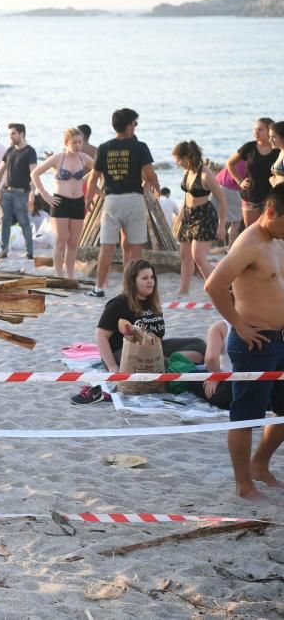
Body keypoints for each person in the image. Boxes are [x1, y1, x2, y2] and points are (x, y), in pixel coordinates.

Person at [204, 183, 284, 502]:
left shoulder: (277, 239)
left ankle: (260, 464)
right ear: (270, 212)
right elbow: (214, 285)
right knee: (246, 416)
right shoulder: (250, 242)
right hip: (254, 342)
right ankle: (243, 484)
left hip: (280, 339)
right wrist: (238, 324)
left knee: (282, 411)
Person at [85, 109, 160, 298]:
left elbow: (92, 179)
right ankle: (135, 290)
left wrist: (92, 200)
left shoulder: (103, 147)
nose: (135, 128)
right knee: (135, 247)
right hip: (133, 199)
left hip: (112, 201)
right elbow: (150, 175)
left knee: (107, 247)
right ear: (128, 126)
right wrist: (153, 189)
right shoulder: (140, 147)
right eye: (135, 124)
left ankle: (99, 288)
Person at [94, 259, 205, 373]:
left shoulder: (152, 302)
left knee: (199, 345)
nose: (150, 281)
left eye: (152, 277)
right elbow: (100, 335)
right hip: (123, 352)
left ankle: (171, 363)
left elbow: (158, 336)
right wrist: (112, 366)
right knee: (151, 359)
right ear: (133, 281)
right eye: (145, 278)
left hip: (153, 348)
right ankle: (171, 365)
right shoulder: (119, 303)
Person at [30, 128, 94, 279]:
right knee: (61, 241)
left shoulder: (83, 158)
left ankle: (70, 276)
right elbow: (35, 173)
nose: (78, 145)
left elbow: (99, 170)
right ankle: (59, 275)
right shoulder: (58, 158)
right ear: (66, 143)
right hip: (60, 202)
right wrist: (45, 195)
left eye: (80, 142)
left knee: (73, 243)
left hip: (78, 202)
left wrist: (83, 179)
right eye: (74, 142)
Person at [172, 141, 227, 296]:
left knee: (199, 257)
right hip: (188, 216)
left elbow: (222, 200)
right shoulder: (187, 171)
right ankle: (184, 290)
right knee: (185, 256)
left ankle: (217, 288)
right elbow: (187, 196)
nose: (177, 163)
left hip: (204, 216)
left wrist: (222, 225)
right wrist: (179, 218)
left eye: (178, 160)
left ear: (188, 157)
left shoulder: (206, 174)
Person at [0, 123, 37, 259]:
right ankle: (4, 250)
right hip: (6, 192)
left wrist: (32, 193)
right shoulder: (10, 150)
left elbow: (34, 173)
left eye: (13, 133)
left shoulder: (30, 151)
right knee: (4, 221)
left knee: (24, 222)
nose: (10, 136)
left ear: (21, 134)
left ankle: (29, 251)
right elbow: (0, 171)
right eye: (10, 134)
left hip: (21, 193)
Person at [225, 118, 279, 229]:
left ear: (269, 131)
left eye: (260, 130)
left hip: (271, 198)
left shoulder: (277, 149)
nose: (256, 132)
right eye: (254, 129)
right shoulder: (249, 147)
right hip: (250, 196)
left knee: (270, 231)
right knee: (251, 231)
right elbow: (230, 163)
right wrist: (240, 181)